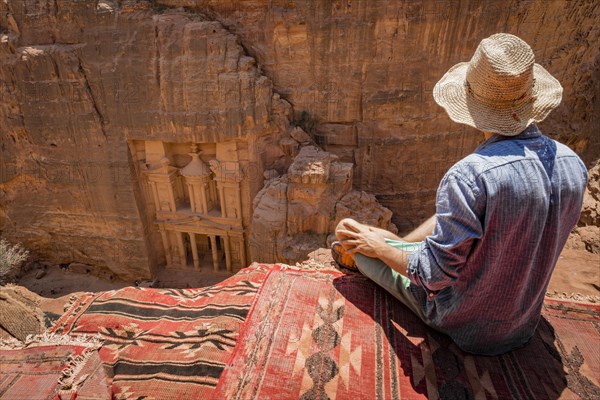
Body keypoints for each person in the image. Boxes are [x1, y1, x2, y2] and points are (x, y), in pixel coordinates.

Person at [332, 33, 588, 355]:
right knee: (389, 240)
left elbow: (433, 277)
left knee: (351, 237)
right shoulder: (572, 164)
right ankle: (402, 245)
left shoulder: (471, 175)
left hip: (464, 321)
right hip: (522, 322)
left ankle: (376, 251)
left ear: (471, 100)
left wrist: (378, 248)